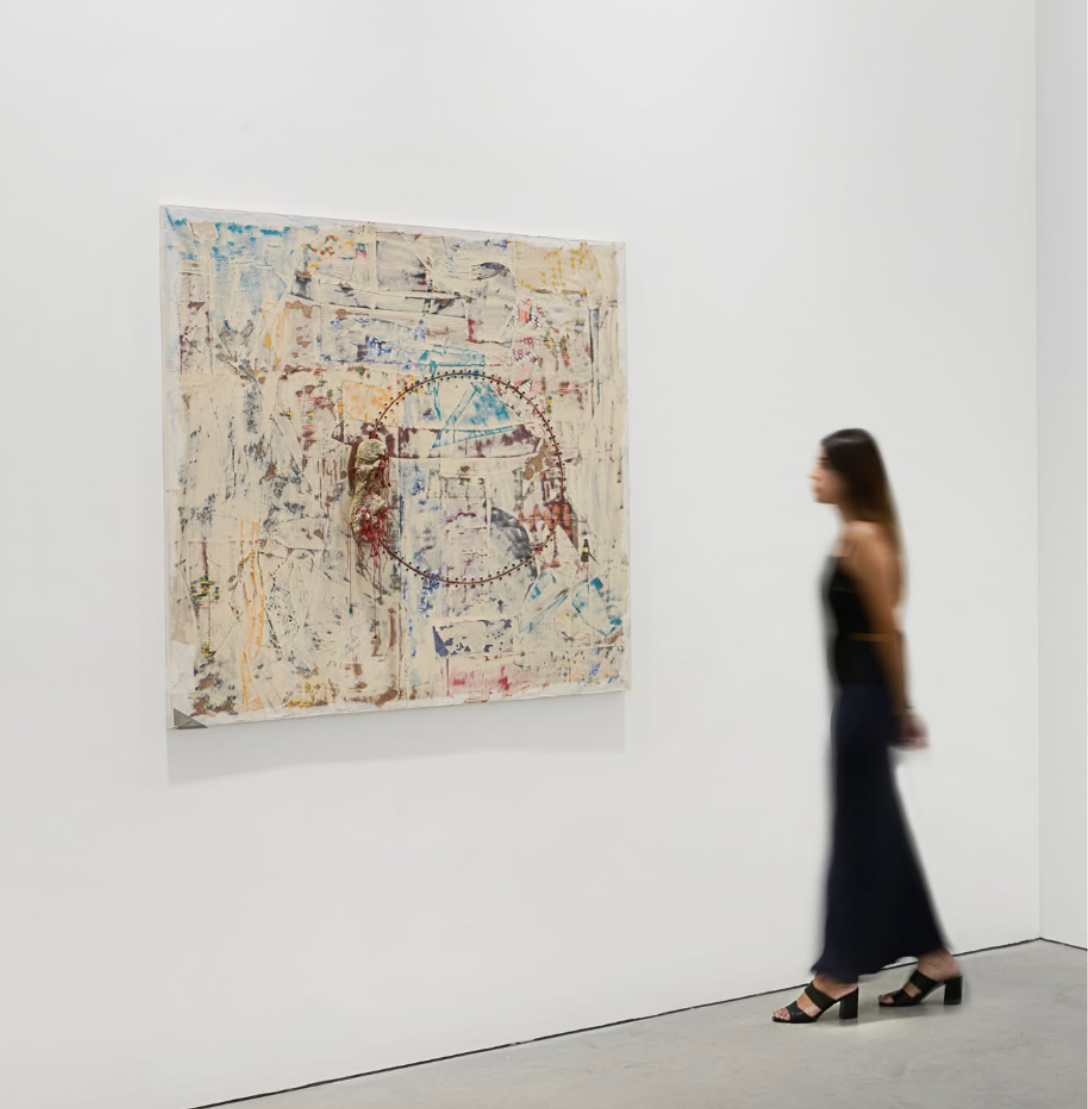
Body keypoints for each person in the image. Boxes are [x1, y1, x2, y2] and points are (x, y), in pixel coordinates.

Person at [772, 428, 964, 1024]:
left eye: (823, 464)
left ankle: (836, 975)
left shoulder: (864, 538)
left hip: (866, 703)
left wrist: (900, 710)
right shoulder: (853, 536)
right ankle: (935, 960)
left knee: (857, 838)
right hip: (856, 700)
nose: (813, 474)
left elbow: (889, 632)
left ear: (850, 475)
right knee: (877, 829)